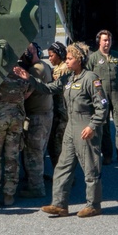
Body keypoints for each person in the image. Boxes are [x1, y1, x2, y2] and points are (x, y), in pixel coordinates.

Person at [24, 43, 108, 218]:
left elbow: (102, 107)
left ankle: (94, 205)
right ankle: (60, 204)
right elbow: (49, 88)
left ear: (78, 60)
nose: (67, 61)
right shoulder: (68, 78)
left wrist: (92, 126)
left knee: (91, 167)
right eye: (67, 58)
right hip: (71, 126)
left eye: (70, 58)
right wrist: (29, 78)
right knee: (63, 165)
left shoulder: (91, 79)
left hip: (85, 126)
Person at [0, 65, 31, 208]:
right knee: (12, 157)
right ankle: (9, 196)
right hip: (16, 120)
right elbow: (28, 90)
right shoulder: (22, 73)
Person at [86, 30, 118, 164]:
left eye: (109, 40)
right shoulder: (93, 58)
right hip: (101, 95)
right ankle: (107, 155)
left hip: (116, 94)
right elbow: (87, 77)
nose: (107, 43)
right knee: (104, 126)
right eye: (104, 40)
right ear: (99, 42)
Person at [19, 42, 54, 198]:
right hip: (46, 114)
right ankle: (37, 180)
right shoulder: (44, 66)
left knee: (33, 152)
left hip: (37, 116)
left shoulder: (35, 70)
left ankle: (36, 188)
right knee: (39, 150)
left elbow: (25, 94)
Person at [45, 41, 70, 169]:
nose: (49, 59)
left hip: (62, 114)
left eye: (51, 56)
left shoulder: (63, 69)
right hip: (58, 113)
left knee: (58, 146)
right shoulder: (58, 68)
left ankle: (64, 176)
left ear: (59, 54)